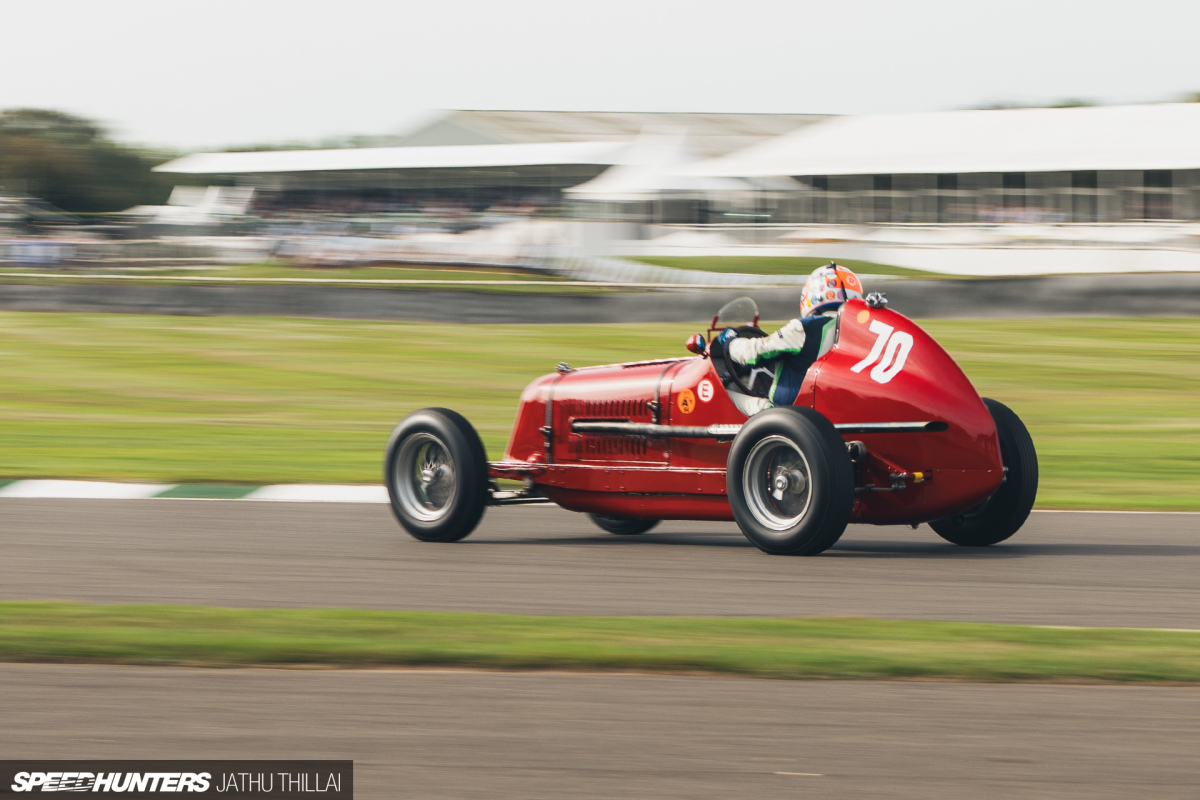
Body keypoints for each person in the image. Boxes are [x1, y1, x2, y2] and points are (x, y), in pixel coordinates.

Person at [717, 263, 864, 416]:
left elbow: (754, 354)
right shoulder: (858, 331)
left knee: (723, 394)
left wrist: (730, 341)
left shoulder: (805, 328)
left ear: (813, 294)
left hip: (789, 415)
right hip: (837, 412)